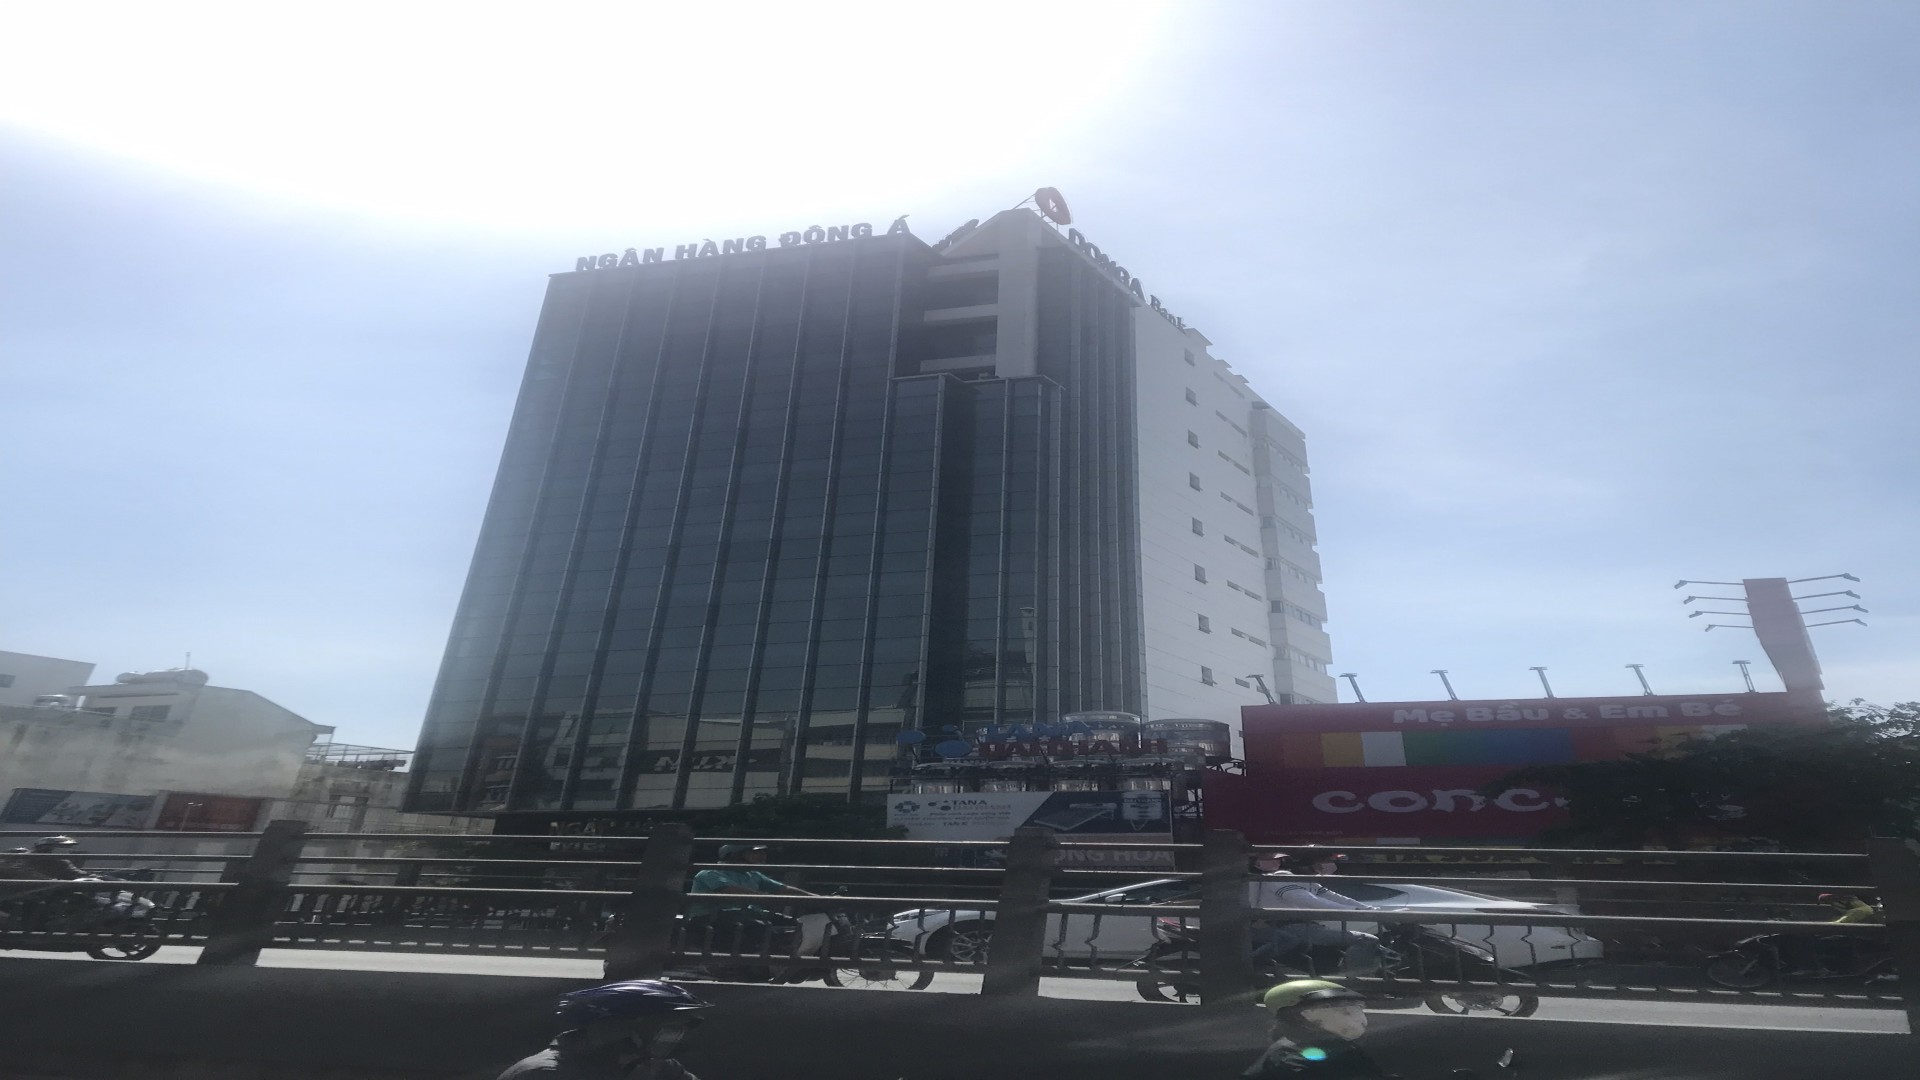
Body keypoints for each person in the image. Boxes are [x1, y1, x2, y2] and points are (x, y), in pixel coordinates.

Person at [498, 979, 713, 1080]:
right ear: (617, 1027)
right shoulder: (546, 1074)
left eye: (679, 1030)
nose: (675, 1036)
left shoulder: (654, 1067)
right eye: (667, 1028)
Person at [687, 844, 828, 980]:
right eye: (754, 852)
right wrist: (763, 897)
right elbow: (729, 890)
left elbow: (783, 889)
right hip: (711, 917)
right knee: (757, 926)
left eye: (762, 852)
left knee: (791, 923)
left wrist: (818, 898)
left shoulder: (752, 875)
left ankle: (780, 963)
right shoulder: (711, 872)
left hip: (745, 915)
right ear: (736, 855)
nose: (762, 856)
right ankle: (738, 965)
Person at [1248, 849, 1382, 976]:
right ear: (1308, 863)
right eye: (1325, 860)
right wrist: (1354, 911)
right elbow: (1310, 901)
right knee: (1365, 940)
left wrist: (1368, 909)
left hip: (1305, 925)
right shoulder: (1281, 878)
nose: (1330, 864)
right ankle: (1354, 981)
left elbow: (1335, 897)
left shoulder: (1308, 881)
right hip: (1289, 927)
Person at [1244, 979, 1397, 1078]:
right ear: (1308, 1014)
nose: (1359, 1018)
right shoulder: (1291, 1059)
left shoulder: (1339, 1047)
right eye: (1344, 1010)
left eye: (1359, 1008)